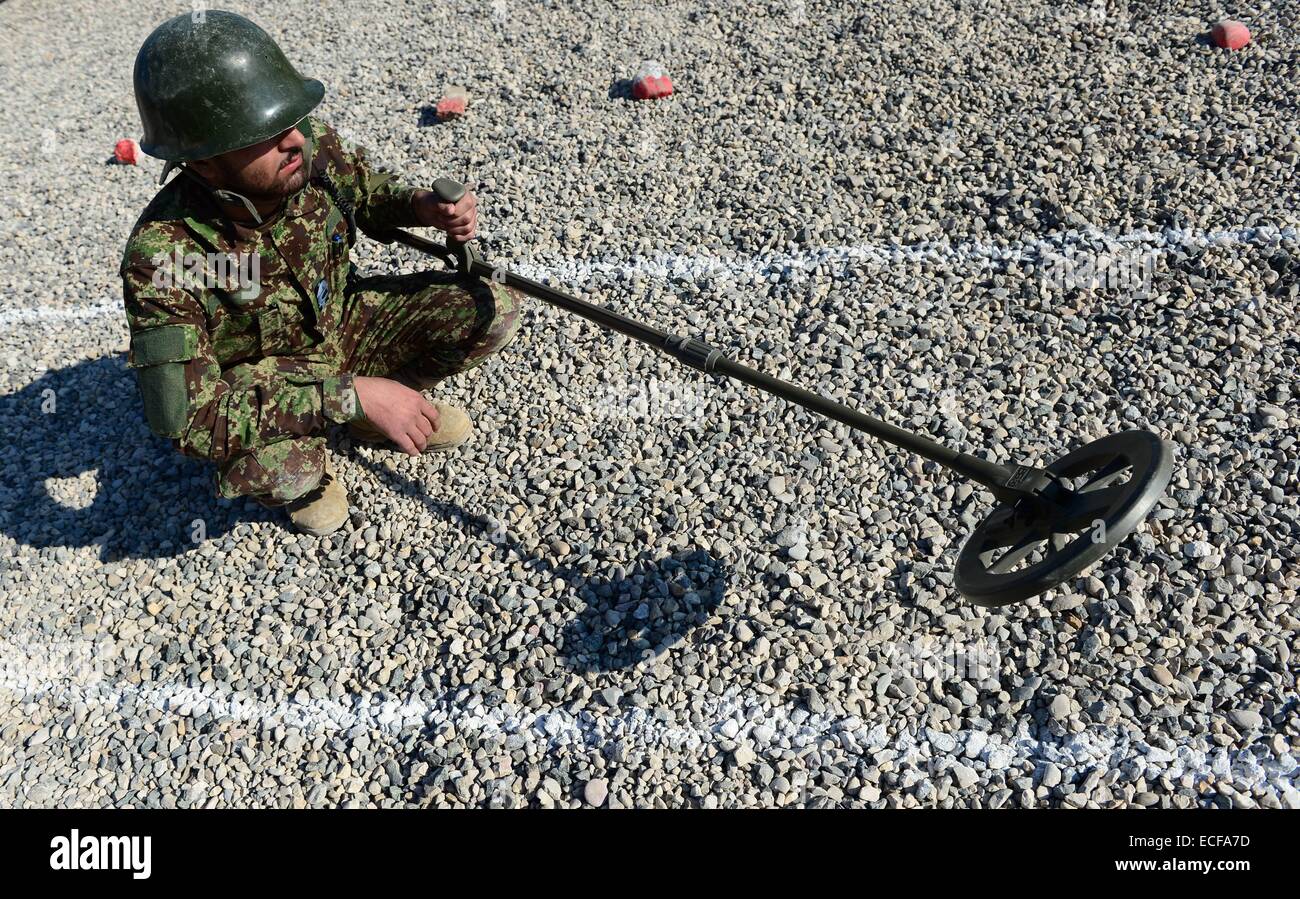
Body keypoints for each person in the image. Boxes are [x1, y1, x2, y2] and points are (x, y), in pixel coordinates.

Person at [122, 11, 524, 535]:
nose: (294, 141)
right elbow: (189, 422)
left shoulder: (302, 145)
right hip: (263, 378)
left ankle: (377, 414)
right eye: (262, 134)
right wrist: (349, 393)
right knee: (282, 474)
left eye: (287, 120)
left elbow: (365, 192)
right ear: (203, 162)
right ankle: (341, 434)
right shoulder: (166, 257)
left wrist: (419, 206)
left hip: (340, 323)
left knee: (489, 308)